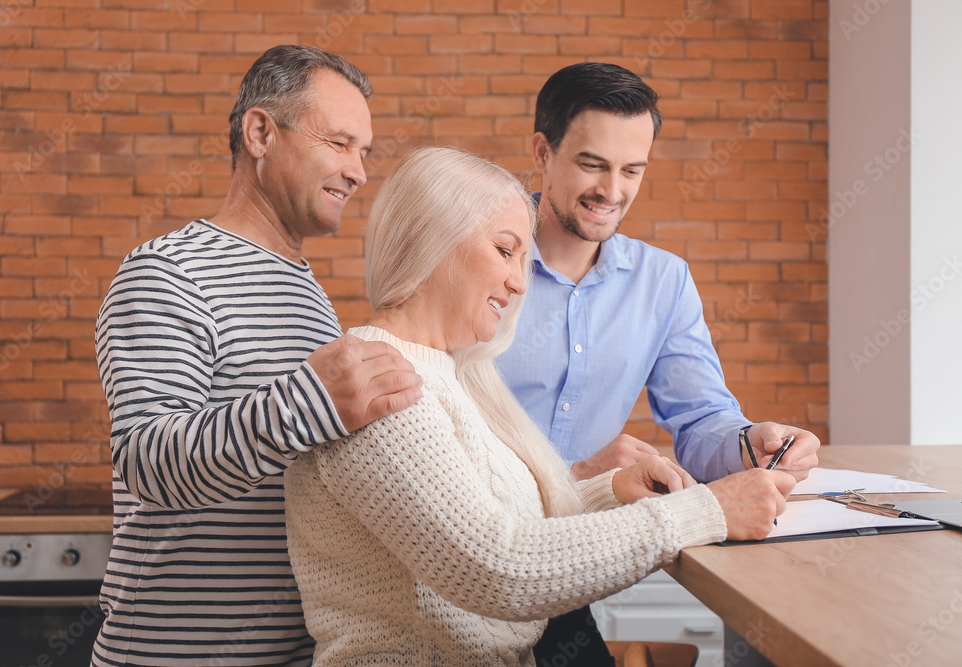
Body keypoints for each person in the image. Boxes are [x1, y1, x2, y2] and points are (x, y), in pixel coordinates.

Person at [284, 145, 795, 666]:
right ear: (433, 241)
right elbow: (497, 569)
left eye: (523, 259)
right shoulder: (383, 385)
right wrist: (705, 511)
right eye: (505, 251)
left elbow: (506, 525)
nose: (520, 282)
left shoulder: (452, 374)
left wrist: (609, 490)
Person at [92, 45, 422, 667]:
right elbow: (150, 462)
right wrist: (312, 401)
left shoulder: (307, 292)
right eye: (340, 143)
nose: (359, 172)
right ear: (262, 132)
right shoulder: (168, 272)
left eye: (365, 152)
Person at [494, 61, 823, 666]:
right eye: (592, 164)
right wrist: (579, 473)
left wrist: (752, 442)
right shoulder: (483, 262)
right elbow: (433, 430)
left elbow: (702, 420)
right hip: (477, 558)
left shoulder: (663, 281)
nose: (612, 190)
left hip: (573, 572)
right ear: (542, 152)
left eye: (632, 169)